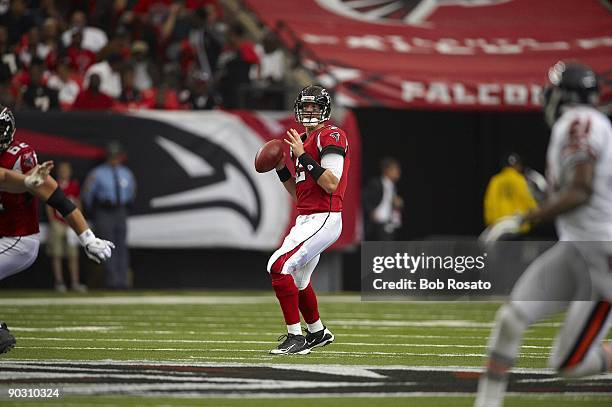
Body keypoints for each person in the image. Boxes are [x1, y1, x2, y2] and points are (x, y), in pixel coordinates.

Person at [475, 62, 612, 406]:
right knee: (511, 318)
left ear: (563, 95)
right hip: (576, 247)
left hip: (602, 257)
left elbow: (580, 190)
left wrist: (526, 218)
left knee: (569, 363)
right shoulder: (582, 124)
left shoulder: (579, 123)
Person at [0, 106, 114, 354]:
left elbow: (60, 199)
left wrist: (88, 237)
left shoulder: (21, 157)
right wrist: (27, 183)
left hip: (18, 239)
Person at [267, 85, 349, 355]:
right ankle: (316, 332)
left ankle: (295, 337)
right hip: (307, 217)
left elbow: (331, 184)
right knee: (299, 281)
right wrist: (282, 169)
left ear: (325, 109)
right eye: (306, 106)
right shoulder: (299, 142)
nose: (309, 111)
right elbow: (298, 193)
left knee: (278, 266)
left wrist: (302, 154)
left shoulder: (331, 134)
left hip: (325, 215)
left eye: (315, 106)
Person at [82, 141, 136, 289]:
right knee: (107, 246)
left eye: (116, 155)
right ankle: (112, 281)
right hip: (104, 211)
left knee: (121, 246)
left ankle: (123, 281)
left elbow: (132, 193)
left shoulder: (126, 173)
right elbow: (87, 194)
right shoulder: (97, 173)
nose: (114, 158)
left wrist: (125, 207)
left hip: (121, 211)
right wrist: (93, 211)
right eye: (112, 155)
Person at [45, 162, 86, 293]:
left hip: (70, 224)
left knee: (73, 254)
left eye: (66, 170)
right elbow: (48, 203)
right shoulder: (54, 184)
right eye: (62, 170)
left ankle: (75, 281)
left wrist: (77, 221)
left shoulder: (74, 186)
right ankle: (59, 281)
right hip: (57, 222)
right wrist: (52, 221)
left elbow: (78, 203)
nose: (64, 172)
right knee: (56, 253)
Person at [483, 153, 537, 235]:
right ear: (518, 165)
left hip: (498, 228)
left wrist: (490, 222)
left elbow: (489, 204)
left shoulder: (495, 180)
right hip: (518, 227)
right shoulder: (521, 180)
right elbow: (530, 203)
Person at [363, 157, 403, 241]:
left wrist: (397, 203)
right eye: (394, 169)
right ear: (386, 170)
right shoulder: (376, 183)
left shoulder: (393, 186)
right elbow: (364, 199)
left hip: (389, 223)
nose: (398, 172)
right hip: (376, 224)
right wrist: (371, 212)